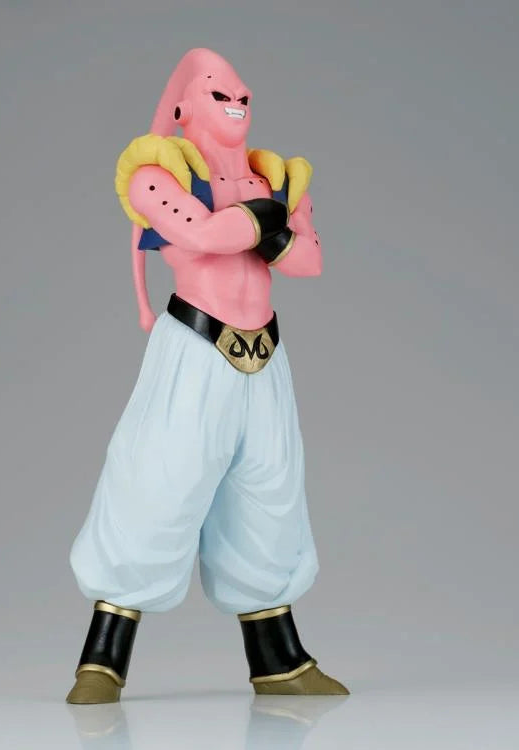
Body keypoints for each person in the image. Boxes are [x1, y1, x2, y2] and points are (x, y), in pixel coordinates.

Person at [66, 48, 348, 704]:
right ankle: (102, 659)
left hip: (265, 356)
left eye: (243, 96)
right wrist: (268, 222)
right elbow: (206, 235)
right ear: (182, 107)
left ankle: (279, 660)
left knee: (269, 493)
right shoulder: (157, 173)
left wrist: (261, 222)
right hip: (194, 350)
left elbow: (309, 261)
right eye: (219, 95)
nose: (236, 104)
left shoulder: (274, 176)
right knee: (155, 484)